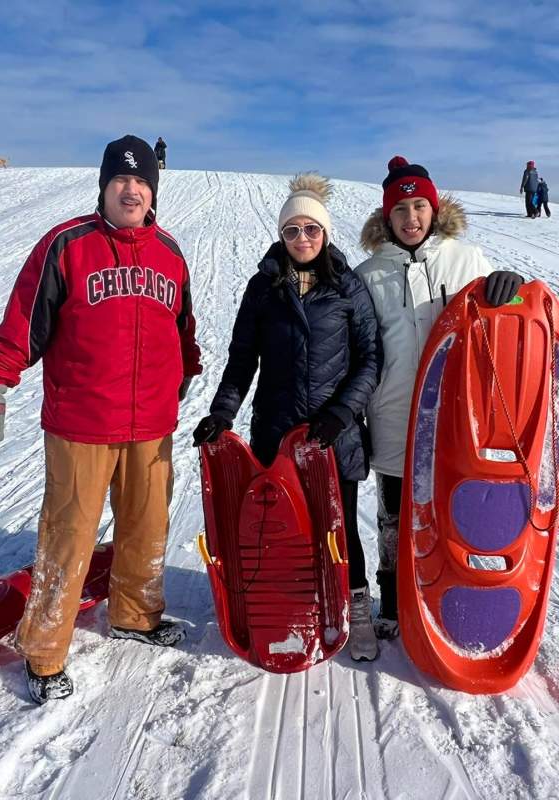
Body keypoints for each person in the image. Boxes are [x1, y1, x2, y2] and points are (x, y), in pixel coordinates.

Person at [0, 134, 202, 704]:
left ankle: (135, 614)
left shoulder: (171, 254)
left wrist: (187, 371)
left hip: (151, 423)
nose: (132, 190)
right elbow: (26, 321)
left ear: (153, 191)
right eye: (121, 180)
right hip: (81, 422)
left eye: (142, 181)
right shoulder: (66, 245)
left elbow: (184, 328)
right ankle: (45, 649)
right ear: (103, 186)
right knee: (68, 535)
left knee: (146, 527)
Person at [193, 174, 383, 661]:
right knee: (283, 528)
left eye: (311, 229)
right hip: (277, 433)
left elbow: (369, 359)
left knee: (340, 529)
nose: (302, 239)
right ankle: (289, 609)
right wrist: (222, 414)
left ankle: (354, 610)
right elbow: (242, 359)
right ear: (282, 235)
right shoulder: (263, 288)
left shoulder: (348, 287)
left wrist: (341, 414)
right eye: (293, 230)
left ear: (325, 233)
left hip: (331, 434)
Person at [355, 156, 525, 640]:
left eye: (419, 207)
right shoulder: (369, 274)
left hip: (455, 414)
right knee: (394, 516)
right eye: (401, 209)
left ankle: (447, 595)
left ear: (434, 209)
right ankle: (393, 600)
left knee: (452, 509)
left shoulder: (466, 260)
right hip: (392, 412)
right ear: (386, 217)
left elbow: (508, 316)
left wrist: (508, 288)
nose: (411, 218)